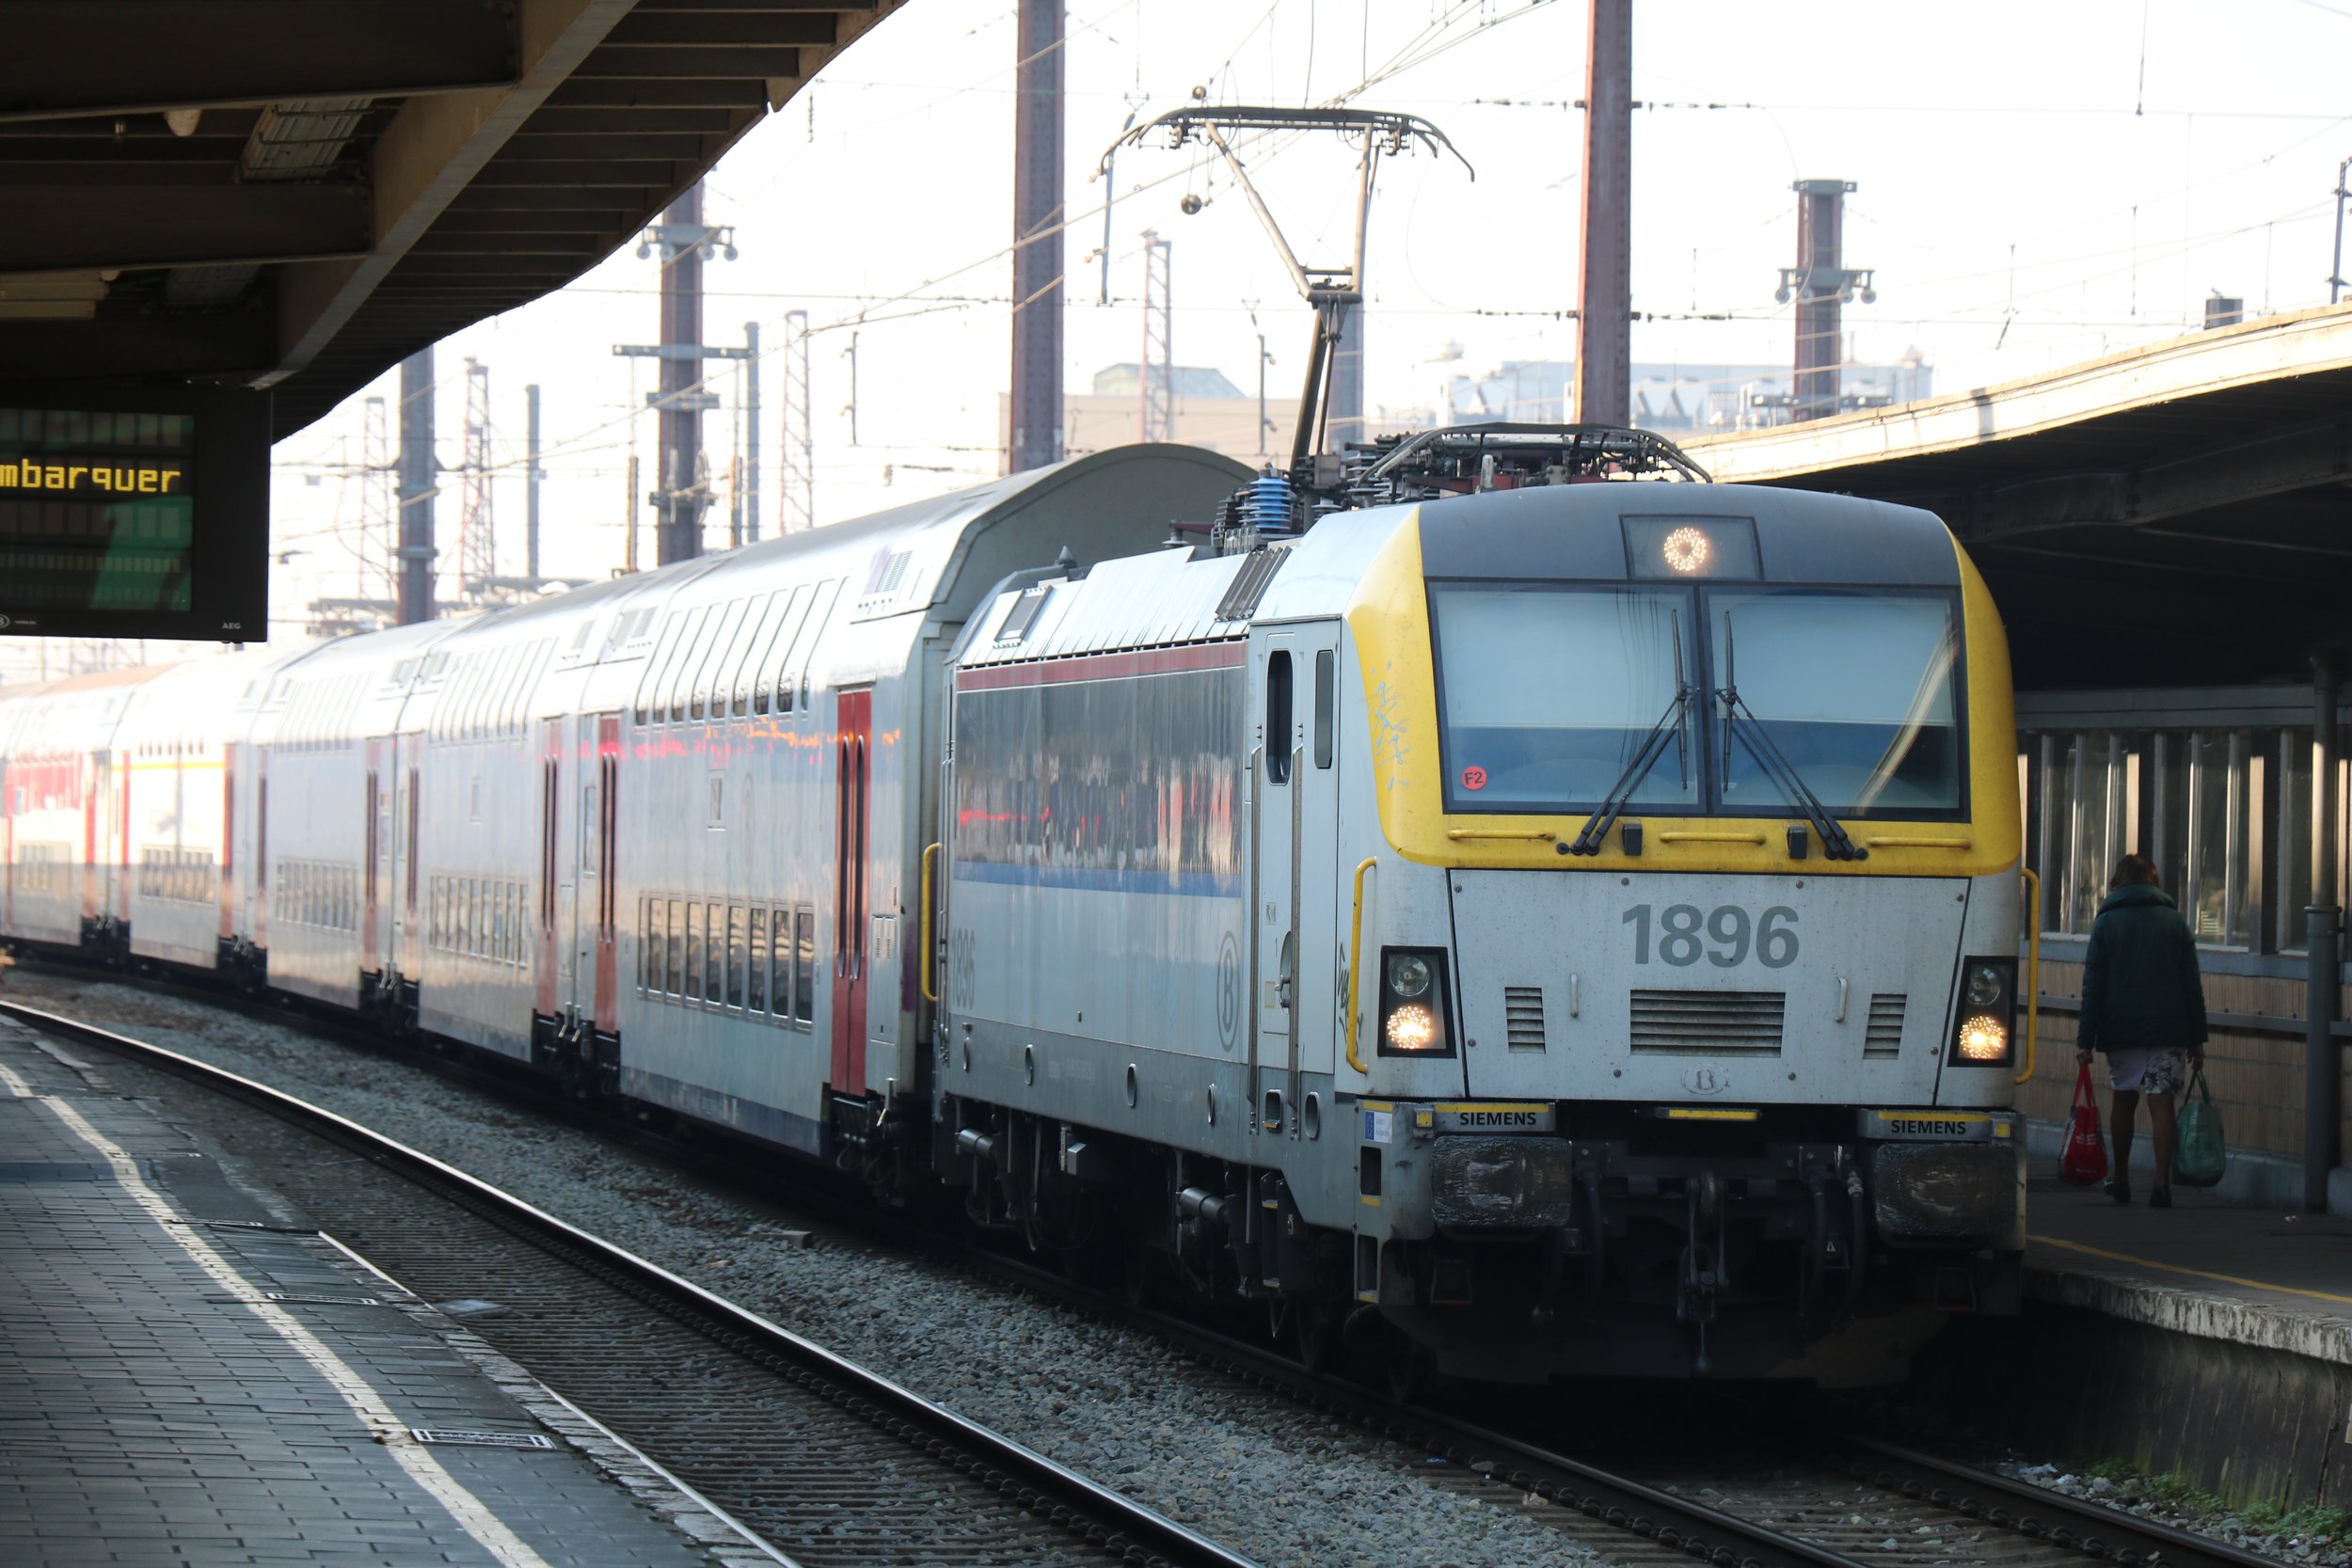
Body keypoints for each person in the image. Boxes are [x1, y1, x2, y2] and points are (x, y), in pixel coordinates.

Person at [2074, 853, 2208, 1208]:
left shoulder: (2107, 922)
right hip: (2170, 1025)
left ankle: (2120, 1179)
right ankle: (2161, 1183)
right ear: (2153, 881)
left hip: (2122, 1024)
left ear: (2118, 881)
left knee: (2124, 1098)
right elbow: (2191, 984)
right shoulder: (2174, 921)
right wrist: (2197, 1038)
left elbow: (2094, 984)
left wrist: (2085, 1040)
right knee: (2162, 1101)